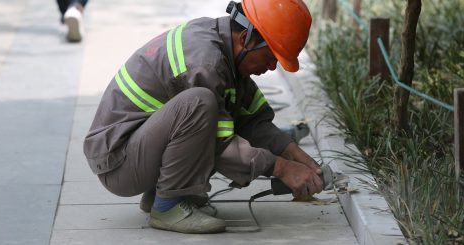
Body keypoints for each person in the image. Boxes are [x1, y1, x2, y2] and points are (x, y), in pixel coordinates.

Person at [83, 0, 322, 234]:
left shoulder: (225, 52)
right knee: (199, 104)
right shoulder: (206, 62)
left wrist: (293, 154)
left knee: (213, 108)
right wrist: (281, 168)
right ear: (245, 39)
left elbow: (254, 121)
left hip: (136, 150)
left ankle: (162, 193)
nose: (272, 67)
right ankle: (168, 206)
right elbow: (220, 144)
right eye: (271, 56)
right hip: (119, 162)